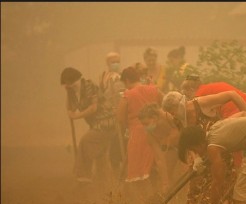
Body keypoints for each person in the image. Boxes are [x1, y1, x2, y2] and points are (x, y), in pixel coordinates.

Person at [161, 90, 246, 204]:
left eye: (173, 110)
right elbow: (187, 141)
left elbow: (231, 94)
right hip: (200, 160)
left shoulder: (201, 104)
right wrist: (195, 158)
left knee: (224, 190)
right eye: (170, 113)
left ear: (179, 104)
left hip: (219, 153)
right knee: (194, 194)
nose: (173, 115)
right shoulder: (177, 119)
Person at [180, 74, 246, 167]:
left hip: (237, 114)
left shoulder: (198, 98)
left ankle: (238, 171)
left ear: (190, 89)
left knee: (232, 145)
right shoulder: (213, 86)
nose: (188, 100)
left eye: (186, 95)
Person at [116, 65, 167, 195]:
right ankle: (158, 193)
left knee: (139, 169)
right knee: (156, 163)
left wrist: (124, 131)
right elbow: (166, 103)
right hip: (157, 131)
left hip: (137, 135)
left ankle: (145, 199)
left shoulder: (127, 95)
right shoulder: (154, 89)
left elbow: (120, 119)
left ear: (127, 80)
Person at [61, 67, 115, 183]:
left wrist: (77, 116)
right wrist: (68, 92)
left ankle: (83, 177)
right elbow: (70, 108)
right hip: (95, 124)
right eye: (69, 85)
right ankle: (104, 184)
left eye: (73, 84)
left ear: (79, 79)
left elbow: (93, 108)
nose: (73, 86)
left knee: (85, 142)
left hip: (106, 122)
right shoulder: (72, 92)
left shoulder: (89, 86)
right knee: (100, 155)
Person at [99, 52, 126, 177]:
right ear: (108, 63)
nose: (115, 64)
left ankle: (119, 171)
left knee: (117, 143)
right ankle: (109, 171)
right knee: (109, 144)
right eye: (112, 62)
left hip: (117, 113)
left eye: (117, 61)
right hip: (108, 115)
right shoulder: (105, 76)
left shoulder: (120, 76)